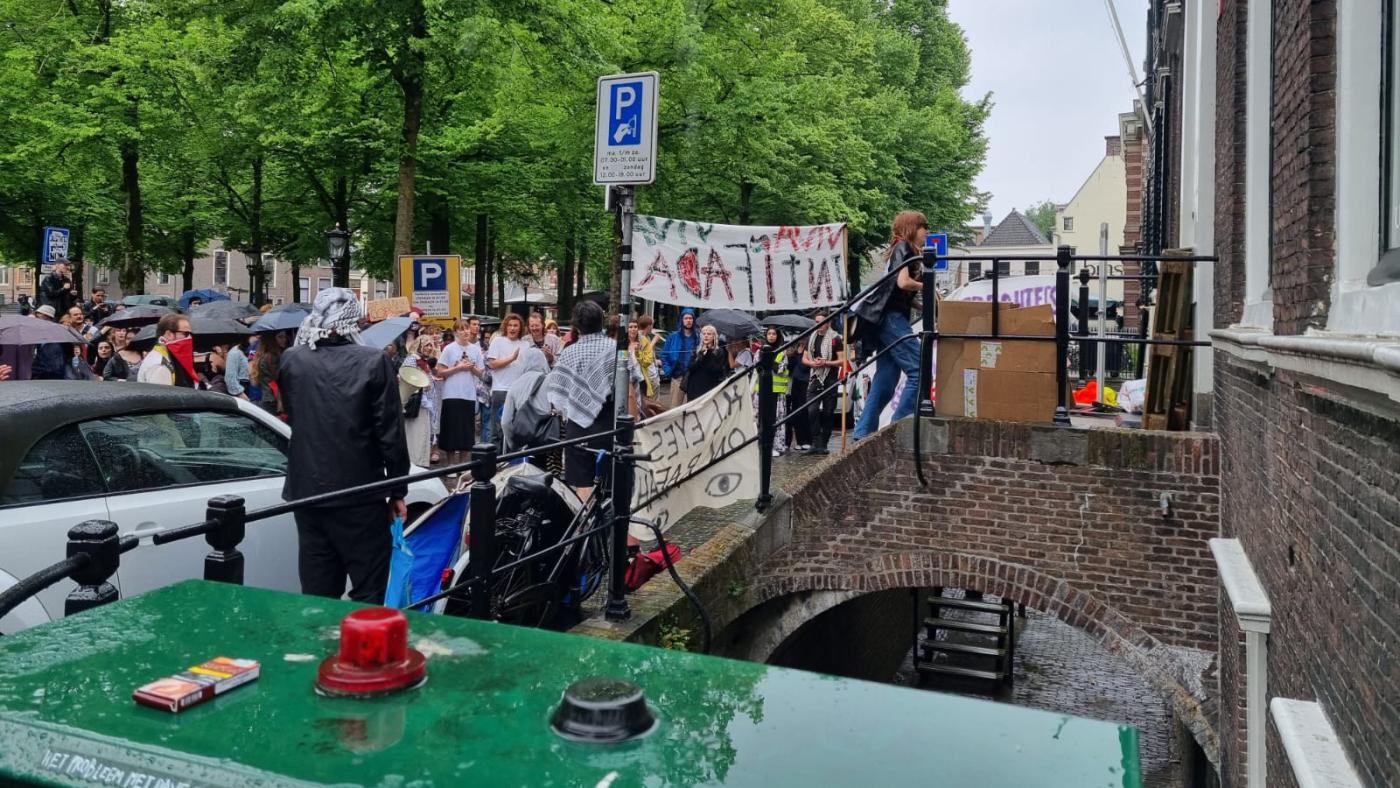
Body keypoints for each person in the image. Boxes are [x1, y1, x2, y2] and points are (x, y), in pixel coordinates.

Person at [279, 287, 409, 604]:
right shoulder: (374, 361)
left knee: (317, 590)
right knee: (368, 586)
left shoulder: (293, 360)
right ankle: (362, 650)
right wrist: (398, 489)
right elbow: (390, 432)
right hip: (359, 493)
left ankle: (320, 648)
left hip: (308, 493)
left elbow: (297, 416)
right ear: (354, 321)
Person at [852, 210, 927, 440]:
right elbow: (903, 282)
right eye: (924, 227)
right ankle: (898, 428)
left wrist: (924, 305)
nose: (927, 233)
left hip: (883, 318)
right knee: (920, 370)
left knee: (886, 378)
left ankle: (862, 433)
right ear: (911, 228)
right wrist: (926, 286)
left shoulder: (902, 249)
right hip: (891, 319)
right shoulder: (903, 247)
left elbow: (897, 290)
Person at [546, 301, 615, 501]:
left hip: (577, 425)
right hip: (608, 424)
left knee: (582, 480)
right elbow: (630, 388)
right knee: (611, 479)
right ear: (601, 321)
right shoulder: (614, 348)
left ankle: (587, 524)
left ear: (576, 325)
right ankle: (608, 526)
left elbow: (557, 393)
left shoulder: (568, 352)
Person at [435, 317, 485, 472]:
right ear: (456, 332)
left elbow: (481, 373)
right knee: (451, 429)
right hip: (451, 393)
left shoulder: (475, 349)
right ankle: (451, 465)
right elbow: (440, 371)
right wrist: (457, 368)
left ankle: (463, 464)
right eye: (462, 329)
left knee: (466, 430)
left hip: (468, 393)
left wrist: (471, 368)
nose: (465, 331)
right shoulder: (449, 349)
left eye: (467, 328)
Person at [803, 311, 846, 454]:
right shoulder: (811, 338)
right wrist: (811, 363)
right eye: (816, 322)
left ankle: (824, 443)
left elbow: (842, 361)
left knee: (828, 412)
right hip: (815, 377)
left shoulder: (835, 339)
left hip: (830, 378)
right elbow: (804, 358)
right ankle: (816, 442)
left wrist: (825, 362)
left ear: (828, 324)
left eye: (821, 323)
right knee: (812, 410)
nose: (818, 325)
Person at [485, 313, 527, 449]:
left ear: (520, 328)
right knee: (498, 429)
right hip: (501, 390)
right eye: (510, 325)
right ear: (505, 327)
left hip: (519, 392)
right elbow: (492, 364)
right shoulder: (498, 341)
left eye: (516, 325)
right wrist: (511, 358)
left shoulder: (525, 344)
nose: (512, 328)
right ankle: (495, 461)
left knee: (515, 429)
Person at [754, 327, 789, 457]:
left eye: (774, 334)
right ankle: (762, 444)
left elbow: (779, 369)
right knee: (761, 418)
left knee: (776, 418)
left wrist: (768, 361)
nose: (771, 336)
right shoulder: (759, 351)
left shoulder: (782, 352)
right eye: (769, 333)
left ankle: (775, 445)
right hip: (761, 390)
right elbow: (757, 368)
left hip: (777, 391)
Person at [137, 312, 195, 386]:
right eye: (185, 334)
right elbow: (162, 396)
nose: (189, 338)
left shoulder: (167, 356)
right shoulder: (159, 365)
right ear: (169, 334)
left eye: (190, 334)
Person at [660, 308, 699, 407]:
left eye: (690, 318)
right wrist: (668, 370)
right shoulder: (673, 337)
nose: (688, 320)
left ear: (694, 320)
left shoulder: (698, 337)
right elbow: (664, 355)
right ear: (681, 320)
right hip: (678, 376)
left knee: (693, 406)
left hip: (693, 376)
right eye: (686, 318)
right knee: (675, 407)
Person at [685, 325, 730, 401]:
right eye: (703, 334)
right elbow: (690, 367)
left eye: (709, 334)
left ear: (714, 336)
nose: (706, 336)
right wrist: (701, 355)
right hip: (694, 387)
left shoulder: (719, 351)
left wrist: (709, 353)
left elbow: (716, 371)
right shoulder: (697, 350)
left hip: (709, 387)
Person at [786, 331, 812, 451]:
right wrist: (791, 354)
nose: (802, 339)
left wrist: (802, 355)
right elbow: (789, 367)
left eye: (804, 336)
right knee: (795, 411)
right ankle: (799, 440)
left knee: (804, 411)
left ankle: (807, 440)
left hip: (805, 382)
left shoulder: (809, 350)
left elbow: (804, 367)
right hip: (795, 382)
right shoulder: (795, 350)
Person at [252, 330, 288, 416]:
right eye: (280, 337)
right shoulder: (273, 357)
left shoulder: (263, 355)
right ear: (272, 339)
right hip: (274, 399)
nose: (284, 339)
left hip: (267, 397)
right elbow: (280, 377)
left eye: (285, 336)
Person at [29, 305, 68, 380]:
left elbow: (54, 366)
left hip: (48, 379)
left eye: (38, 316)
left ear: (47, 318)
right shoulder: (38, 334)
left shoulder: (56, 337)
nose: (35, 319)